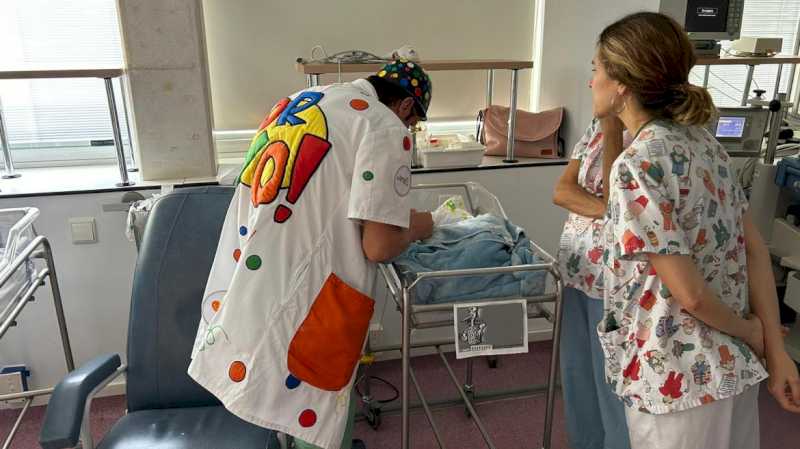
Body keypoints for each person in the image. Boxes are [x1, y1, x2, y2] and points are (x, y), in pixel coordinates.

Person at [187, 60, 434, 449]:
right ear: (405, 107)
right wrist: (423, 223)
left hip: (249, 276)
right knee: (311, 413)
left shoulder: (296, 102)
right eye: (414, 124)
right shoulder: (383, 126)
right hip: (311, 296)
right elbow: (380, 245)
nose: (410, 131)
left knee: (273, 400)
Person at [592, 12, 800, 449]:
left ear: (622, 84)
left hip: (676, 381)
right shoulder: (704, 143)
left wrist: (752, 333)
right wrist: (772, 350)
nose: (590, 80)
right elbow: (755, 250)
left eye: (596, 69)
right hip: (730, 373)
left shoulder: (637, 166)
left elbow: (692, 296)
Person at [553, 115, 632, 449]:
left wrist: (614, 130)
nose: (590, 82)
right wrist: (607, 211)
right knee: (577, 375)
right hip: (578, 269)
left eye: (597, 72)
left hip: (617, 283)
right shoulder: (595, 128)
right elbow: (562, 191)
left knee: (612, 386)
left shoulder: (648, 133)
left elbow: (622, 201)